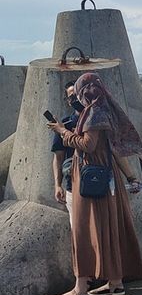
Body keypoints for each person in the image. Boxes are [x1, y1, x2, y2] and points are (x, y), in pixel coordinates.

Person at [47, 73, 142, 295]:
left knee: (82, 232)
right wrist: (131, 177)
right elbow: (114, 150)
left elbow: (87, 145)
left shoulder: (93, 114)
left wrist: (63, 132)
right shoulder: (105, 111)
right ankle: (115, 283)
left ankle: (80, 289)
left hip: (90, 181)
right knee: (110, 229)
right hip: (108, 180)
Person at [51, 81, 84, 224]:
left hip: (99, 182)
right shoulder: (64, 124)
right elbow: (58, 157)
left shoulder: (97, 120)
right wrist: (58, 185)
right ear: (68, 102)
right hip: (73, 185)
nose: (75, 99)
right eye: (71, 97)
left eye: (77, 95)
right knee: (77, 229)